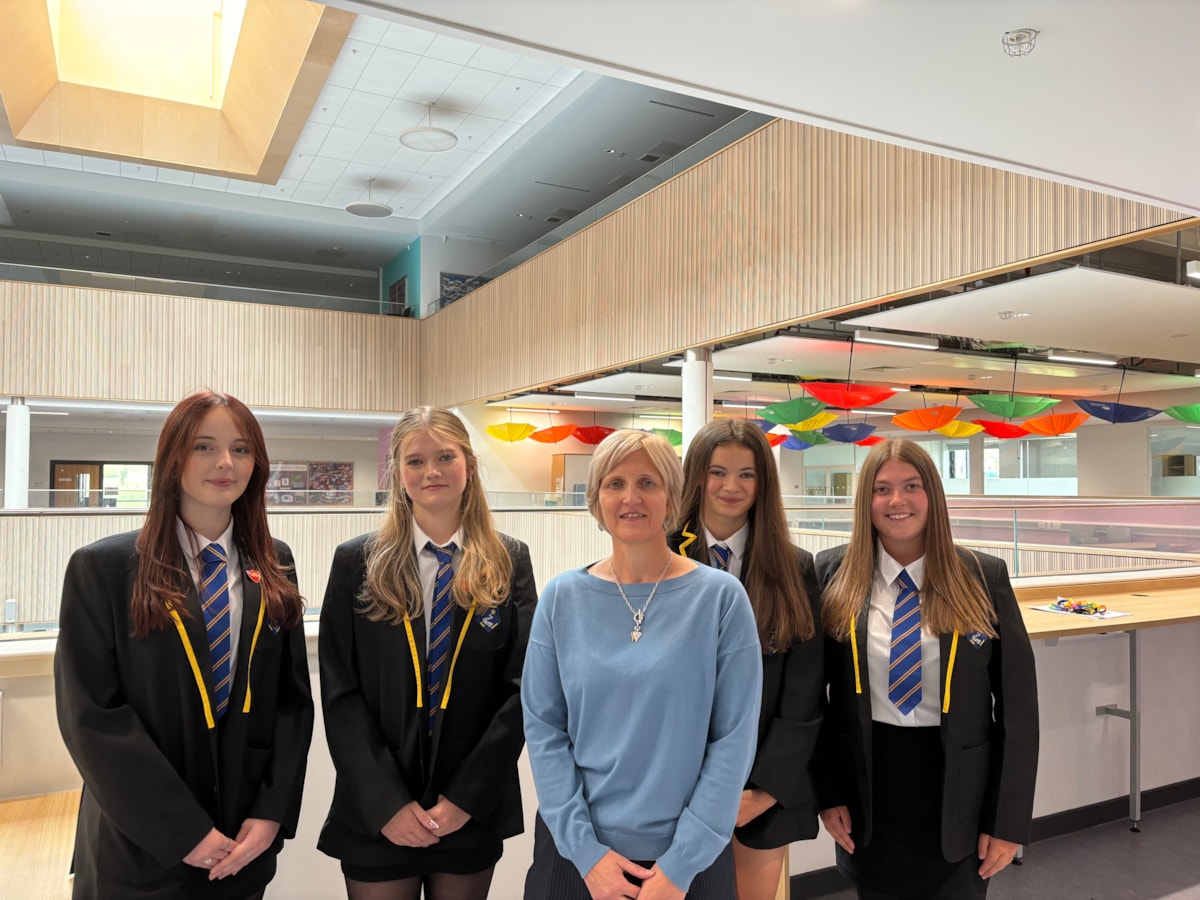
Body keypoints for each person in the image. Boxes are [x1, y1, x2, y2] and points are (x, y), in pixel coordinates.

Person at [54, 389, 313, 900]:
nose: (225, 463)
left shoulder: (274, 561)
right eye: (203, 447)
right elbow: (93, 717)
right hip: (143, 845)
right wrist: (182, 831)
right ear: (173, 458)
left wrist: (270, 812)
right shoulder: (104, 567)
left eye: (241, 449)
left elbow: (290, 703)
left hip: (242, 843)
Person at [522, 429, 763, 900]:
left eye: (648, 483)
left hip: (687, 863)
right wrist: (586, 854)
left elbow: (733, 739)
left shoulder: (719, 599)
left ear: (671, 496)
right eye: (615, 484)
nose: (631, 497)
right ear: (596, 500)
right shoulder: (561, 599)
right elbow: (544, 731)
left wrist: (681, 865)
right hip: (576, 857)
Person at [318, 406, 537, 900]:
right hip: (378, 810)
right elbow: (340, 690)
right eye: (415, 461)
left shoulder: (509, 560)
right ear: (397, 473)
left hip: (470, 807)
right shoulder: (358, 562)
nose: (431, 471)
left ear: (470, 465)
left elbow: (521, 690)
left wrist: (465, 798)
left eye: (445, 457)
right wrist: (386, 803)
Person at [814, 438, 1038, 900]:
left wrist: (1007, 819)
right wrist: (827, 792)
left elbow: (1018, 712)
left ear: (932, 495)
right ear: (866, 501)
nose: (897, 500)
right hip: (868, 789)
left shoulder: (983, 575)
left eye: (911, 486)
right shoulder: (831, 573)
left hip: (958, 791)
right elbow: (816, 697)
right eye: (882, 489)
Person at [670, 419, 822, 900]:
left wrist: (762, 793)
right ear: (695, 476)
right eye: (717, 472)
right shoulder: (657, 554)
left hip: (757, 795)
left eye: (747, 474)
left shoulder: (795, 568)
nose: (731, 487)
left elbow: (804, 691)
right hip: (670, 786)